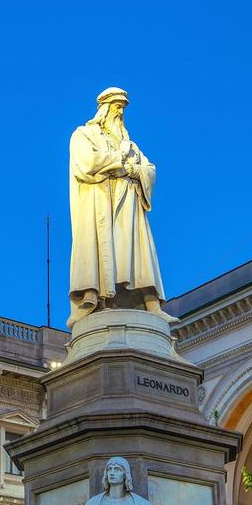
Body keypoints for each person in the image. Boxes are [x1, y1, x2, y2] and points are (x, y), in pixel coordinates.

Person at [68, 87, 166, 327]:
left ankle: (150, 303)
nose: (120, 112)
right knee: (100, 254)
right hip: (99, 204)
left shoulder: (130, 145)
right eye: (116, 106)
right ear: (104, 108)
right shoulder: (84, 135)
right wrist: (119, 162)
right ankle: (91, 296)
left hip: (129, 206)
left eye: (122, 108)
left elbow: (150, 170)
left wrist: (131, 169)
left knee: (135, 255)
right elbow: (87, 164)